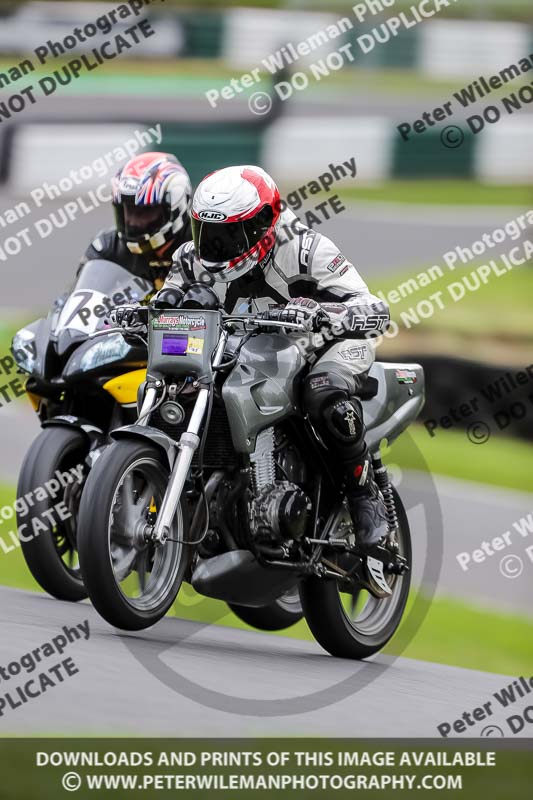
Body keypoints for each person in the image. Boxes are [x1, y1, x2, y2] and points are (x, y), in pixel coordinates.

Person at [159, 165, 392, 594]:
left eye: (227, 235)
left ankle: (364, 499)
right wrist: (156, 306)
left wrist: (326, 314)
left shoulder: (305, 249)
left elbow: (374, 308)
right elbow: (169, 299)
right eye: (205, 232)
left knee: (324, 393)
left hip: (325, 347)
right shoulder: (192, 257)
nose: (213, 246)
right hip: (248, 350)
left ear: (264, 224)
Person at [79, 151, 193, 290]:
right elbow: (80, 302)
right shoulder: (106, 248)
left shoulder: (202, 247)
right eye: (128, 210)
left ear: (175, 207)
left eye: (143, 212)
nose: (132, 222)